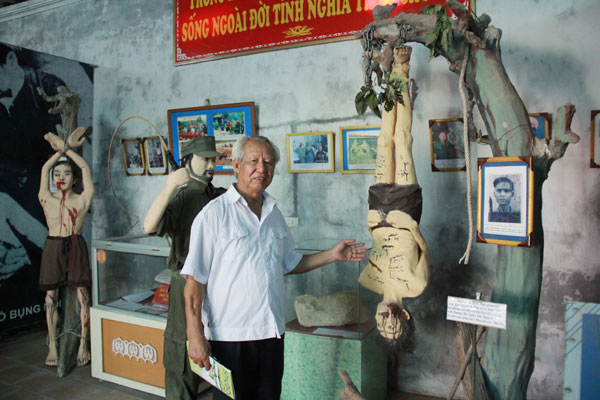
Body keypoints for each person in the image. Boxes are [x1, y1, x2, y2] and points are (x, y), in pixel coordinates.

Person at [182, 136, 367, 400]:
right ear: (236, 165)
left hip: (271, 335)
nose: (262, 169)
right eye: (254, 161)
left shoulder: (274, 214)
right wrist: (195, 335)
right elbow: (194, 283)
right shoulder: (214, 214)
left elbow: (290, 263)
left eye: (268, 163)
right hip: (230, 338)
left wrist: (332, 255)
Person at [358, 45, 429, 355]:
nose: (385, 317)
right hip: (404, 210)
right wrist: (411, 227)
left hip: (379, 211)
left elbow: (375, 244)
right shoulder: (416, 285)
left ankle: (389, 78)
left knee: (383, 142)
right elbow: (424, 249)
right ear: (405, 317)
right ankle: (402, 68)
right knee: (403, 140)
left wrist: (370, 226)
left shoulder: (367, 279)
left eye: (381, 324)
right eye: (392, 322)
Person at [143, 136, 226, 400]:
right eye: (204, 159)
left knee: (218, 346)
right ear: (188, 161)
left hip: (218, 281)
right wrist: (170, 186)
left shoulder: (219, 195)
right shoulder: (183, 196)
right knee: (182, 349)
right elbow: (149, 226)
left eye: (213, 159)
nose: (211, 164)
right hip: (186, 280)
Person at [38, 128, 94, 367]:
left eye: (67, 173)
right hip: (53, 245)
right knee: (50, 298)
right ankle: (52, 344)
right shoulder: (46, 198)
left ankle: (83, 344)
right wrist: (60, 151)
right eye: (57, 174)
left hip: (75, 244)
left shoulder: (82, 199)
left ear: (74, 179)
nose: (61, 177)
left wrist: (67, 150)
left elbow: (85, 168)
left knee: (83, 296)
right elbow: (45, 169)